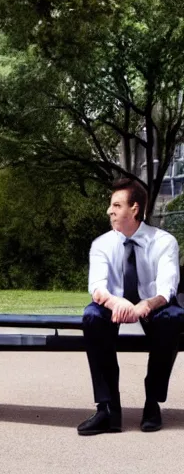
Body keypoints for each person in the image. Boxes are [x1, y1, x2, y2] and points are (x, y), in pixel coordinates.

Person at [77, 178, 184, 435]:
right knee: (92, 316)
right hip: (116, 305)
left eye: (116, 205)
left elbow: (167, 289)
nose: (109, 211)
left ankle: (152, 404)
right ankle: (108, 410)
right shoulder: (101, 244)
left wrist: (144, 305)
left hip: (153, 306)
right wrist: (118, 302)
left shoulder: (164, 241)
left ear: (134, 209)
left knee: (172, 318)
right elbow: (97, 288)